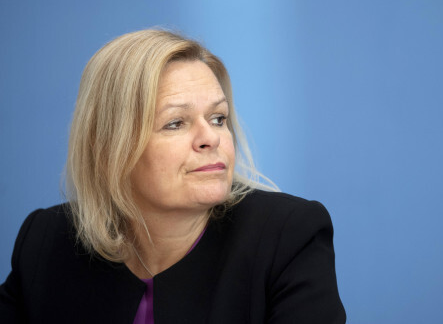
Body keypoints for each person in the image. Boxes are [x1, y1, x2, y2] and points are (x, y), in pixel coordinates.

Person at [0, 29, 346, 323]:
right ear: (108, 148)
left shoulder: (288, 237)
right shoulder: (46, 241)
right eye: (175, 123)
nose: (211, 138)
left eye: (218, 118)